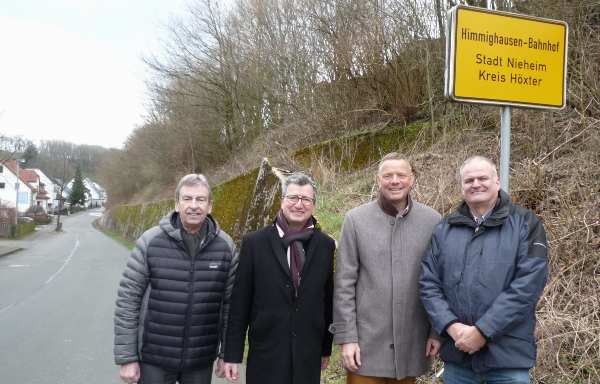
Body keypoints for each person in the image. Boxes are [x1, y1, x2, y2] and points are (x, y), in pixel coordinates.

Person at [419, 156, 549, 384]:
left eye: (483, 178)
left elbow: (528, 286)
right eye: (469, 180)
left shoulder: (525, 223)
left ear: (497, 182)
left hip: (507, 362)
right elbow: (429, 284)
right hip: (458, 362)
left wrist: (483, 331)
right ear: (462, 187)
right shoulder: (443, 230)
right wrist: (450, 325)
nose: (476, 184)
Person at [114, 174, 238, 384]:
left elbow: (231, 308)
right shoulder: (150, 242)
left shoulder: (226, 247)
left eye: (200, 200)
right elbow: (128, 301)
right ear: (176, 204)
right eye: (187, 199)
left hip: (200, 361)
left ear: (210, 206)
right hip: (154, 359)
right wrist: (127, 358)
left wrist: (227, 353)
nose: (193, 206)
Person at [329, 152, 442, 384]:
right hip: (366, 343)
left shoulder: (432, 221)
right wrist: (347, 337)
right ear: (378, 180)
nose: (395, 181)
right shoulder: (355, 220)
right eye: (387, 175)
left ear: (412, 178)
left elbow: (439, 279)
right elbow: (344, 284)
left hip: (412, 341)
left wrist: (435, 331)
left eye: (401, 175)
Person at [223, 173, 336, 384]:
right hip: (266, 354)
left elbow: (327, 300)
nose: (299, 204)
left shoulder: (325, 245)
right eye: (293, 197)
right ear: (282, 200)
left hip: (307, 355)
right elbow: (240, 303)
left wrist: (325, 347)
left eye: (306, 199)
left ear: (313, 204)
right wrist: (232, 354)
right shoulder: (254, 242)